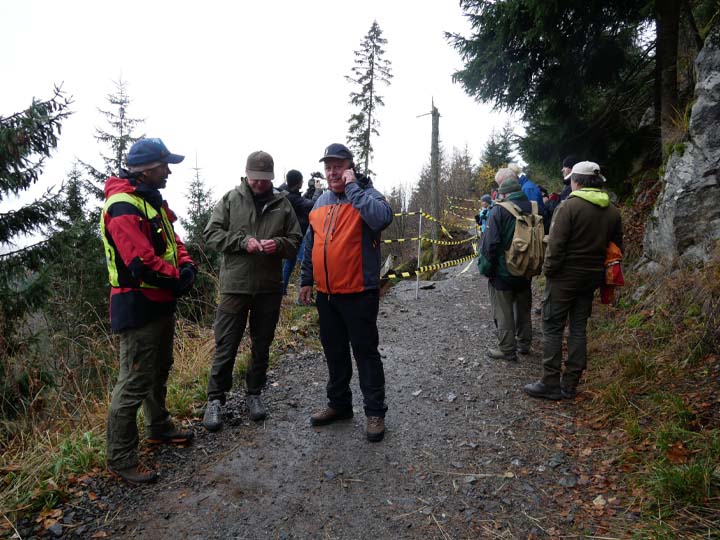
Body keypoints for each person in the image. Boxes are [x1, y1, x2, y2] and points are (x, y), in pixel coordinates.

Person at [101, 137, 197, 484]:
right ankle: (121, 458)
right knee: (134, 381)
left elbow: (174, 242)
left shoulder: (151, 202)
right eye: (164, 165)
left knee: (158, 369)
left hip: (159, 303)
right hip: (137, 305)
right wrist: (179, 279)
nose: (169, 171)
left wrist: (187, 267)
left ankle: (159, 426)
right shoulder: (123, 207)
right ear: (147, 169)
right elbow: (142, 263)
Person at [202, 151, 302, 431]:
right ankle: (215, 400)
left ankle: (254, 394)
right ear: (246, 174)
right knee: (226, 344)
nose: (259, 183)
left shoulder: (283, 205)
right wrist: (241, 241)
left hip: (269, 288)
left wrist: (279, 245)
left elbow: (296, 241)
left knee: (262, 344)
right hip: (235, 287)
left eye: (264, 179)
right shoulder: (231, 199)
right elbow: (211, 234)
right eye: (255, 178)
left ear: (271, 177)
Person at [299, 143, 393, 442]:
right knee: (334, 353)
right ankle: (339, 405)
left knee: (365, 354)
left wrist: (353, 189)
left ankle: (375, 413)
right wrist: (305, 280)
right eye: (328, 167)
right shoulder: (320, 202)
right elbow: (311, 243)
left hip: (359, 292)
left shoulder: (368, 196)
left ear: (351, 167)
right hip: (327, 294)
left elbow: (381, 219)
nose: (332, 171)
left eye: (338, 166)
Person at [523, 161, 623, 400]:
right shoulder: (612, 210)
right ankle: (570, 384)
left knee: (553, 326)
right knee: (578, 328)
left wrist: (548, 270)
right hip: (592, 277)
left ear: (577, 181)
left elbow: (556, 246)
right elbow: (617, 247)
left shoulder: (569, 207)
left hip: (564, 277)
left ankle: (550, 383)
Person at [477, 169, 533, 362]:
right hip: (527, 267)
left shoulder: (499, 210)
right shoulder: (532, 207)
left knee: (504, 310)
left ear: (504, 193)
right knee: (524, 308)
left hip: (504, 269)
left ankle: (507, 349)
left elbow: (490, 244)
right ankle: (525, 343)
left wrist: (485, 269)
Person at [281, 169, 315, 298]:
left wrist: (308, 191)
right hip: (299, 234)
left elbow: (301, 201)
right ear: (298, 183)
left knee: (290, 262)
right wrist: (317, 191)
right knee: (305, 261)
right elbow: (312, 205)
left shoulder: (286, 193)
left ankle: (283, 290)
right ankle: (304, 294)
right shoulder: (292, 197)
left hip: (292, 234)